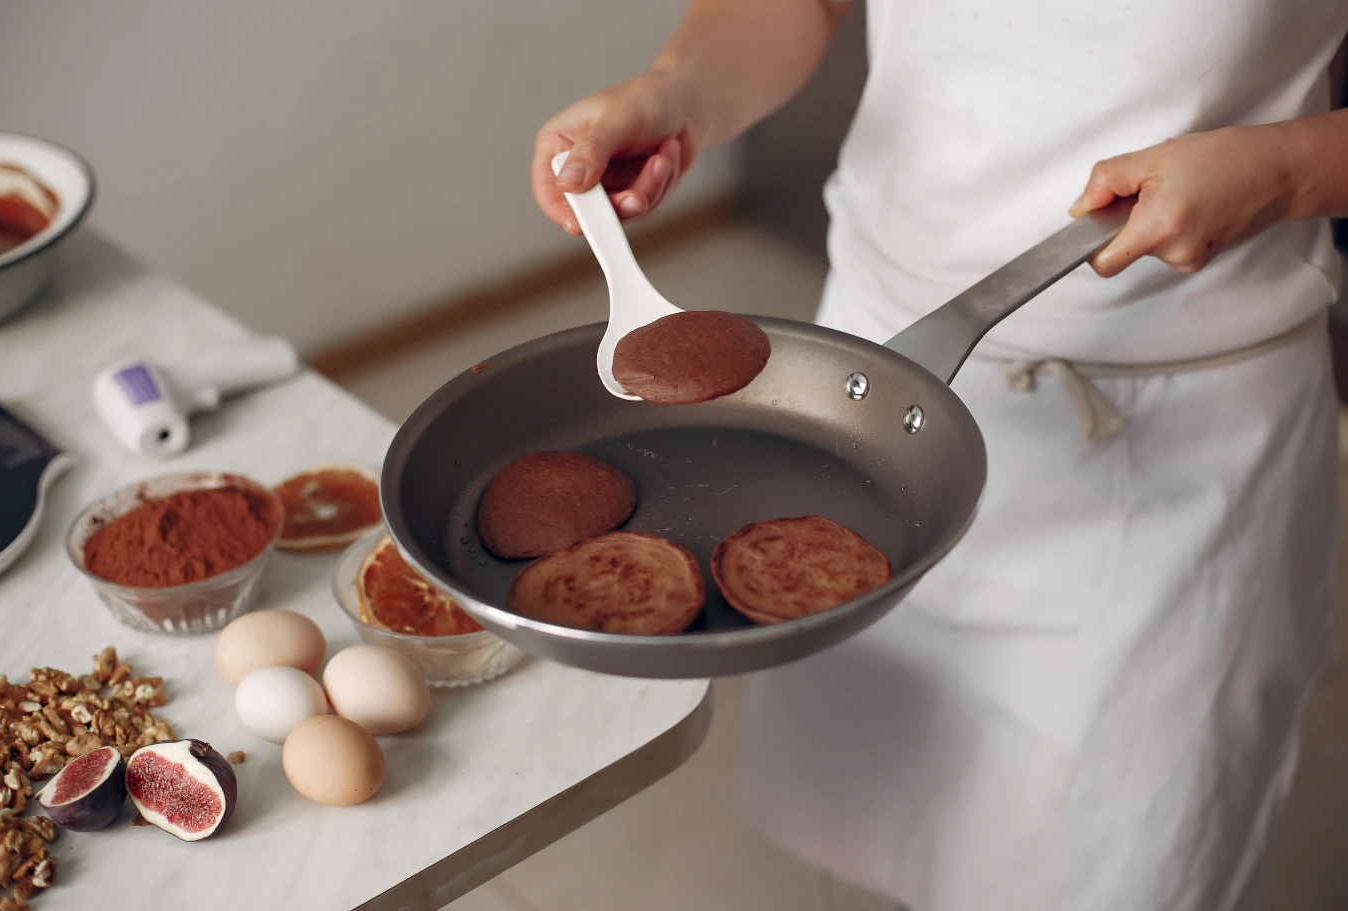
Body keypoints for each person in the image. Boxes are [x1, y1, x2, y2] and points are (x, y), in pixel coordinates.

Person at [530, 3, 1348, 910]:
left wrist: (1283, 169)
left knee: (1124, 861)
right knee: (879, 816)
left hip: (1171, 447)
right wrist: (676, 88)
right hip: (864, 398)